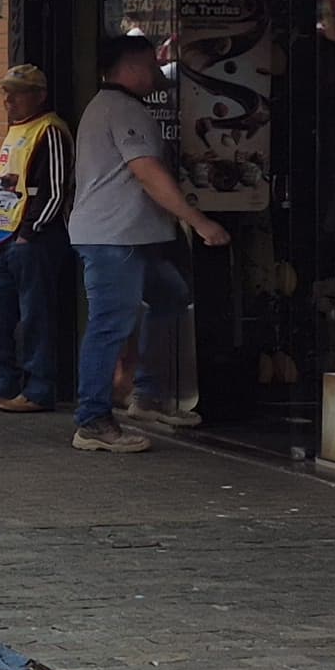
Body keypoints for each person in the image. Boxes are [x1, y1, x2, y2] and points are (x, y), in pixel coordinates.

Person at [68, 33, 229, 452]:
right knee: (110, 323)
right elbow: (147, 171)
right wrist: (199, 222)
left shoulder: (109, 106)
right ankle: (93, 420)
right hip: (114, 237)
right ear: (132, 67)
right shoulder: (122, 109)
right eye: (152, 65)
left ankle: (148, 395)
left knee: (170, 296)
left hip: (133, 235)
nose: (159, 73)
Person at [0, 63, 68, 414]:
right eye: (6, 93)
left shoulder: (50, 130)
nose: (8, 100)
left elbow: (55, 190)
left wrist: (30, 232)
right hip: (4, 238)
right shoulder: (16, 130)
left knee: (35, 315)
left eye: (17, 93)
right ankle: (2, 384)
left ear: (39, 95)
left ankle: (39, 389)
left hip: (33, 239)